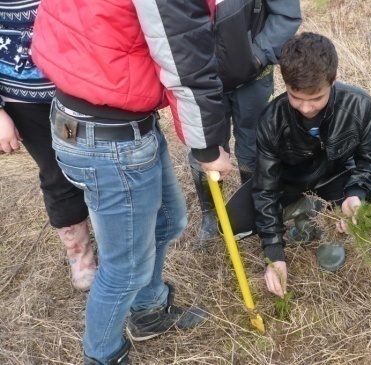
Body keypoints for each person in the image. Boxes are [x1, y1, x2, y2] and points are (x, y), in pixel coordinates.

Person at [31, 0, 232, 364]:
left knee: (169, 219)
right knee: (125, 268)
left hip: (110, 115)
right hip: (108, 137)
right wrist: (206, 147)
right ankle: (103, 354)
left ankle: (148, 310)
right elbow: (185, 59)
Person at [252, 32, 371, 298]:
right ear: (285, 83)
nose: (306, 108)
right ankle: (303, 210)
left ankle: (331, 228)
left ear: (333, 81)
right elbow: (265, 188)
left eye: (317, 98)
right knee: (241, 223)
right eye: (295, 96)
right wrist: (274, 253)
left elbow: (370, 160)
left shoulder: (359, 105)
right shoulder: (271, 119)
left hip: (336, 177)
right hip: (292, 182)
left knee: (345, 215)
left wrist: (357, 194)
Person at [0, 0, 95, 291]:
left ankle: (118, 245)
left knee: (88, 165)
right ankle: (81, 256)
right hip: (26, 103)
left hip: (74, 93)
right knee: (57, 171)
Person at [190, 0, 302, 247]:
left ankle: (252, 209)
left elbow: (286, 14)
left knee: (254, 146)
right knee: (205, 147)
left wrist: (257, 56)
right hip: (201, 78)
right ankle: (210, 214)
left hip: (254, 77)